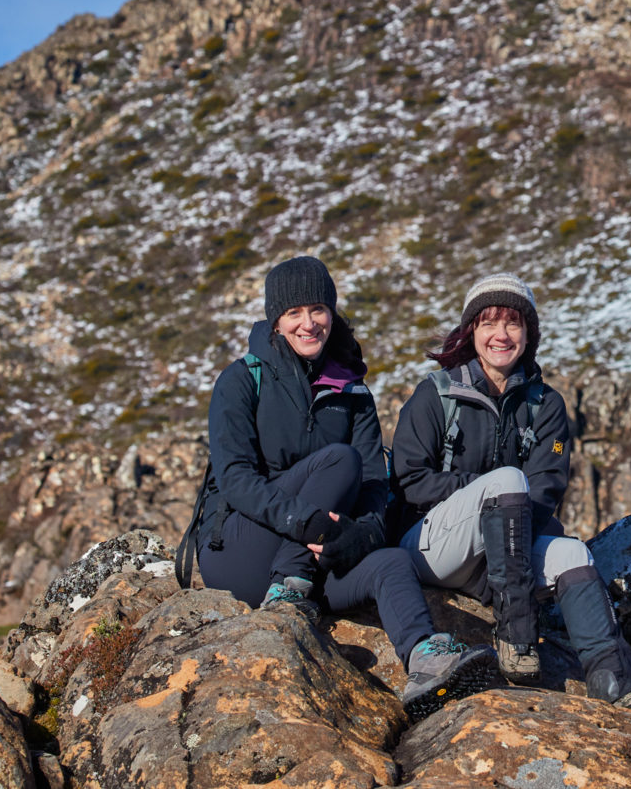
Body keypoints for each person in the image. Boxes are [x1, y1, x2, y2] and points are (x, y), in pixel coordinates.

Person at [178, 255, 497, 719]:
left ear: (332, 312)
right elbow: (236, 480)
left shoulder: (353, 393)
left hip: (315, 558)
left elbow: (374, 485)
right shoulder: (241, 380)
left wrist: (362, 535)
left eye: (318, 310)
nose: (309, 324)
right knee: (338, 462)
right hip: (239, 554)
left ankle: (426, 661)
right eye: (294, 313)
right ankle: (288, 590)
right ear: (276, 320)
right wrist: (306, 522)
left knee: (390, 560)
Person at [391, 273, 631, 713]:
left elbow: (547, 489)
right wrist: (482, 497)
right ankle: (516, 641)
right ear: (471, 332)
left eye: (513, 323)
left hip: (508, 555)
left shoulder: (546, 405)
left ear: (529, 334)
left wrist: (502, 544)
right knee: (508, 480)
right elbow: (409, 482)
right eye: (489, 323)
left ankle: (615, 683)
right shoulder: (434, 396)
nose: (501, 335)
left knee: (573, 554)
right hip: (432, 547)